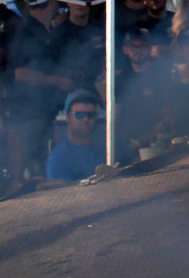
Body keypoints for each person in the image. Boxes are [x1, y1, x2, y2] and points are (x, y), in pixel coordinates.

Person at [4, 0, 72, 179]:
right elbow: (20, 73)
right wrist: (57, 81)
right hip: (26, 108)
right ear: (51, 4)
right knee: (28, 153)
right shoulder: (27, 32)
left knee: (40, 154)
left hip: (42, 107)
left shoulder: (45, 30)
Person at [114, 27, 170, 156]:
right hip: (127, 144)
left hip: (156, 143)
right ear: (125, 50)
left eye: (142, 47)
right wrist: (119, 143)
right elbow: (116, 114)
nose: (138, 51)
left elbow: (168, 117)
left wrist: (141, 141)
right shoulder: (120, 79)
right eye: (133, 47)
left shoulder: (162, 76)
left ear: (150, 48)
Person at [45, 89, 106, 182]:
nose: (85, 119)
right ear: (68, 118)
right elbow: (61, 194)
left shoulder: (108, 145)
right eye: (79, 115)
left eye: (91, 115)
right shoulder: (58, 158)